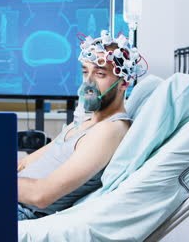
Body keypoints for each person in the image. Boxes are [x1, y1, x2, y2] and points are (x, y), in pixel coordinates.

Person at [17, 31, 147, 220]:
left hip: (19, 212)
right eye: (85, 72)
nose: (88, 83)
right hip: (5, 198)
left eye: (100, 73)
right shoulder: (82, 123)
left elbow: (41, 196)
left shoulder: (109, 130)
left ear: (123, 83)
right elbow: (24, 163)